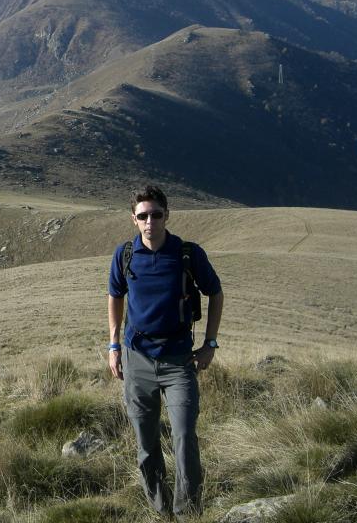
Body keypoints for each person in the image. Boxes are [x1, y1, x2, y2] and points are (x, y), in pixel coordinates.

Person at [107, 185, 224, 518]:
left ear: (166, 215)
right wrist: (113, 345)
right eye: (142, 216)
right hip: (136, 359)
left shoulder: (187, 253)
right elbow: (115, 296)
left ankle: (188, 512)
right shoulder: (125, 255)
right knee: (147, 445)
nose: (149, 222)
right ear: (134, 219)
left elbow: (216, 293)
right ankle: (161, 510)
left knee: (184, 437)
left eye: (156, 215)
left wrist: (210, 344)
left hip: (179, 361)